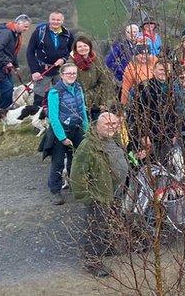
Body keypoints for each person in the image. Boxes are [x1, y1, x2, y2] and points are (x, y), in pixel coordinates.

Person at [70, 110, 139, 277]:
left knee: (109, 223)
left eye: (115, 124)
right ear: (97, 126)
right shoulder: (88, 145)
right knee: (96, 229)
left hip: (114, 192)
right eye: (108, 124)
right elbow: (77, 174)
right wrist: (88, 197)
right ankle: (92, 262)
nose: (112, 127)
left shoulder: (113, 139)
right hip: (98, 196)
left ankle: (107, 249)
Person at [45, 63, 88, 205]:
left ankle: (75, 186)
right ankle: (55, 191)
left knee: (76, 159)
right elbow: (53, 117)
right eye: (68, 73)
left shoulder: (79, 88)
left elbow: (82, 110)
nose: (71, 76)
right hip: (60, 130)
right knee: (57, 162)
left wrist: (86, 130)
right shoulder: (54, 92)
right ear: (62, 75)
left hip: (76, 128)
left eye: (74, 73)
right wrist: (62, 137)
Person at [26, 11, 74, 107]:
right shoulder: (39, 33)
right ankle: (36, 119)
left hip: (60, 70)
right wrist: (34, 71)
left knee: (61, 95)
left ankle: (59, 116)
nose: (55, 22)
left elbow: (70, 50)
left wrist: (64, 59)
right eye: (53, 19)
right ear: (49, 20)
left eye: (58, 20)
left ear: (62, 21)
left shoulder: (67, 34)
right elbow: (30, 52)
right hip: (42, 70)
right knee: (39, 97)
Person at [0, 14, 31, 108]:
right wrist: (7, 62)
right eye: (25, 26)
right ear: (17, 23)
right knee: (7, 89)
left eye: (28, 27)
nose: (27, 29)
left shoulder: (16, 34)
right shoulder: (6, 33)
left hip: (2, 65)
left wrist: (15, 65)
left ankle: (7, 110)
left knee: (10, 88)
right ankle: (3, 112)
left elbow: (12, 52)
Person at [71, 36, 109, 109]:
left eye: (85, 45)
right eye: (80, 47)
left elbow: (104, 82)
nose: (83, 48)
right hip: (78, 102)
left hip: (96, 100)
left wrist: (103, 102)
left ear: (90, 47)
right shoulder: (71, 63)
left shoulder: (97, 61)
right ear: (75, 49)